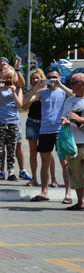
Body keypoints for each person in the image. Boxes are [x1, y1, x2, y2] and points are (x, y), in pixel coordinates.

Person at [24, 66, 73, 202]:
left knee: (64, 162)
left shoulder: (64, 92)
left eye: (55, 77)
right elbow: (25, 101)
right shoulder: (43, 93)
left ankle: (68, 193)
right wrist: (37, 87)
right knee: (45, 162)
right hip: (45, 131)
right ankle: (44, 192)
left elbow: (75, 96)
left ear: (60, 76)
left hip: (60, 130)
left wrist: (60, 85)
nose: (52, 80)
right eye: (50, 77)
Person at [0, 56, 31, 181]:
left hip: (13, 121)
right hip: (0, 120)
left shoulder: (17, 86)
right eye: (5, 77)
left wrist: (13, 89)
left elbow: (20, 104)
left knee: (13, 147)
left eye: (10, 78)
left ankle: (11, 172)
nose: (8, 80)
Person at [23, 69, 58, 187]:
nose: (35, 80)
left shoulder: (48, 92)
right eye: (33, 78)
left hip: (45, 124)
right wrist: (34, 90)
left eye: (38, 78)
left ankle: (53, 178)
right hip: (32, 122)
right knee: (33, 152)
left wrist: (41, 91)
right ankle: (34, 178)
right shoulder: (31, 92)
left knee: (48, 153)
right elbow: (24, 107)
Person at [60, 73, 84, 210]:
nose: (71, 86)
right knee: (75, 175)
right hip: (72, 144)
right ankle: (80, 202)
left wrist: (80, 120)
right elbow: (64, 116)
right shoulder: (69, 100)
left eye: (74, 83)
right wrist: (66, 121)